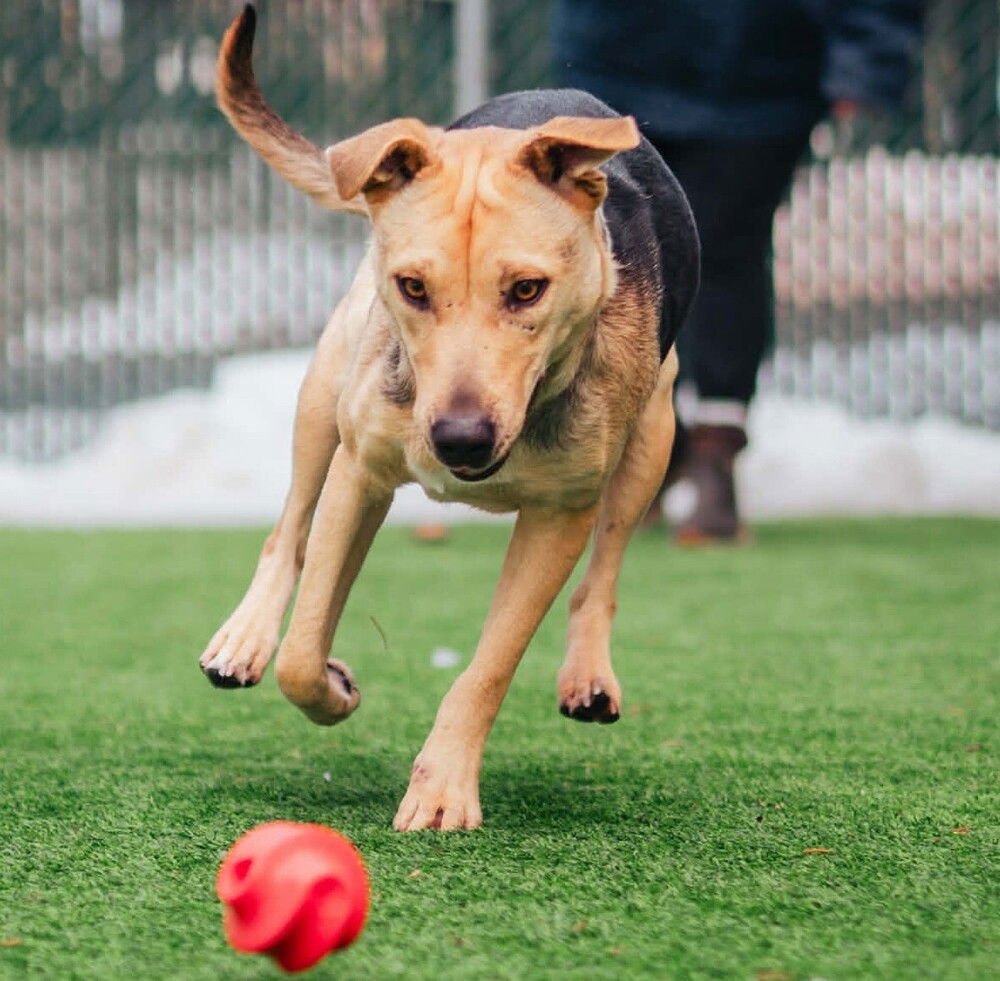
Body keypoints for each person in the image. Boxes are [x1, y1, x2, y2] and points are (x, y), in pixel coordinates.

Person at [553, 0, 924, 543]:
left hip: (763, 72)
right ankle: (649, 441)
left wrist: (868, 59)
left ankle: (714, 452)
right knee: (625, 254)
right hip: (619, 62)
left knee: (725, 250)